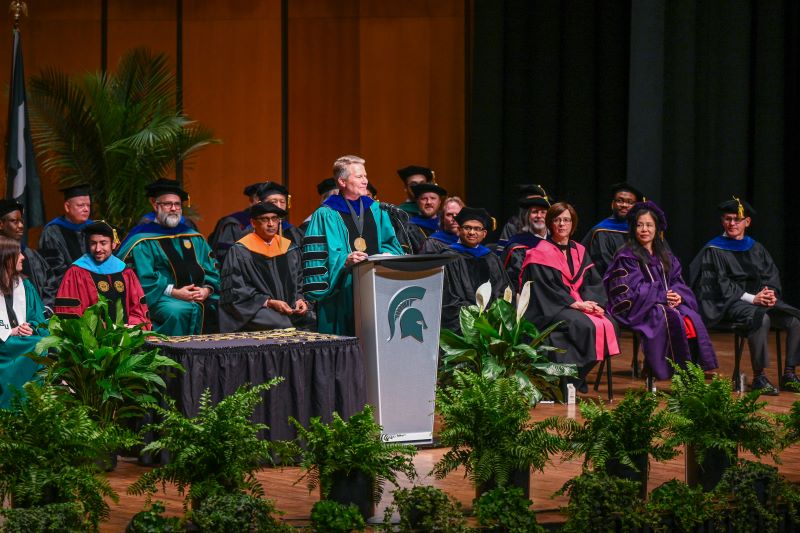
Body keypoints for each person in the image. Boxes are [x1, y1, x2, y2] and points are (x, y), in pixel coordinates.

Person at [690, 197, 800, 394]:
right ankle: (759, 377)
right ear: (722, 221)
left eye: (737, 219)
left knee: (794, 320)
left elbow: (771, 275)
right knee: (761, 318)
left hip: (759, 301)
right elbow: (720, 285)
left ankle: (789, 374)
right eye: (727, 219)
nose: (732, 223)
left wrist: (770, 293)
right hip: (731, 303)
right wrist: (752, 298)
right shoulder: (714, 250)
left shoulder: (756, 248)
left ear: (747, 222)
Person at [604, 202, 717, 381]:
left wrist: (678, 296)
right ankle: (662, 369)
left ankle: (693, 371)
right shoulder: (626, 256)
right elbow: (629, 291)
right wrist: (661, 296)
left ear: (657, 229)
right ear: (633, 228)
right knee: (664, 316)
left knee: (690, 317)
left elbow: (676, 281)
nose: (644, 229)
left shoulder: (665, 255)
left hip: (663, 303)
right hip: (638, 307)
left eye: (649, 225)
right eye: (639, 225)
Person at [521, 202, 620, 393]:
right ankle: (572, 380)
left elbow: (593, 282)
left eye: (566, 220)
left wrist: (593, 303)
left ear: (573, 224)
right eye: (557, 220)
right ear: (550, 224)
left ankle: (575, 378)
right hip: (552, 307)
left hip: (579, 304)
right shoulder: (540, 253)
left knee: (610, 324)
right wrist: (574, 303)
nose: (562, 224)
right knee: (585, 326)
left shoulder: (579, 251)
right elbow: (544, 288)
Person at [303, 155, 403, 335]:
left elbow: (390, 243)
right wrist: (344, 261)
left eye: (365, 176)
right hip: (340, 295)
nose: (365, 181)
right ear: (342, 181)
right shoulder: (325, 214)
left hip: (375, 287)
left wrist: (384, 256)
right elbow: (316, 257)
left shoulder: (377, 210)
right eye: (359, 177)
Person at [116, 179, 219, 336]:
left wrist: (206, 289)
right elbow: (143, 278)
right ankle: (170, 351)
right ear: (155, 205)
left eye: (177, 204)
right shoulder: (142, 240)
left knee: (220, 307)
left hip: (198, 296)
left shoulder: (194, 236)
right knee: (179, 311)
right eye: (167, 204)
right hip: (160, 297)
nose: (173, 208)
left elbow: (212, 268)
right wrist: (175, 292)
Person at [219, 202, 311, 332]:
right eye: (264, 219)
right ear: (253, 223)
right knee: (282, 324)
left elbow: (299, 281)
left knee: (310, 319)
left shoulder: (289, 248)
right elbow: (236, 290)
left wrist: (300, 299)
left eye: (274, 218)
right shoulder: (240, 251)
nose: (271, 224)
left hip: (289, 307)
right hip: (254, 308)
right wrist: (269, 302)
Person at [54, 220, 150, 328]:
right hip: (92, 336)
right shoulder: (76, 272)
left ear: (113, 244)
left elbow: (138, 308)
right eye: (93, 243)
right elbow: (70, 314)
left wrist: (133, 326)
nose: (98, 249)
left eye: (103, 243)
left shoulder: (125, 271)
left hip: (127, 333)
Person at [441, 207, 511, 333]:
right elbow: (448, 296)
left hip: (491, 324)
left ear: (484, 233)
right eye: (467, 228)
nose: (472, 232)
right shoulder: (448, 258)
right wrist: (472, 316)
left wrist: (494, 313)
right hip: (463, 325)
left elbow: (503, 288)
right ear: (459, 230)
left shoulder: (492, 258)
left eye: (477, 229)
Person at [0, 236, 48, 408]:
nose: (23, 257)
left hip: (23, 342)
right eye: (18, 254)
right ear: (6, 259)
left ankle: (28, 408)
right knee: (35, 346)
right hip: (3, 345)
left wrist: (31, 328)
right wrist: (9, 331)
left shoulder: (25, 286)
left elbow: (39, 319)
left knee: (39, 344)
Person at [0, 200, 57, 308]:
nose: (21, 225)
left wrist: (45, 310)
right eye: (14, 221)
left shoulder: (31, 255)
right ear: (1, 224)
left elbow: (50, 284)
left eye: (21, 221)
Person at [581, 182, 643, 276]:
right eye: (620, 201)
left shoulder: (642, 231)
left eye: (630, 202)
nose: (624, 205)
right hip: (611, 281)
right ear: (612, 204)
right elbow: (603, 264)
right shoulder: (601, 231)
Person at [38, 183, 93, 279]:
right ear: (67, 207)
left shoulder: (94, 228)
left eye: (88, 205)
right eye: (81, 205)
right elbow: (54, 269)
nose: (86, 209)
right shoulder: (52, 232)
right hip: (66, 284)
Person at [500, 193, 551, 291]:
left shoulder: (555, 242)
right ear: (527, 216)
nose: (539, 216)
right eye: (534, 212)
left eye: (543, 212)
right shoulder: (518, 245)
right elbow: (513, 278)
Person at [208, 182, 264, 263]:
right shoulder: (235, 223)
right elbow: (224, 257)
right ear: (251, 201)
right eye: (263, 200)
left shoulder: (279, 225)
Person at [407, 182, 447, 253]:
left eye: (433, 198)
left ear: (439, 201)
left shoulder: (447, 225)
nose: (428, 202)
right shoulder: (410, 228)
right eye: (424, 198)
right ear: (418, 202)